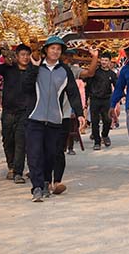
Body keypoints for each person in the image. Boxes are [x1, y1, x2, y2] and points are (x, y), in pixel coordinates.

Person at [23, 36, 86, 202]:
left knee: (50, 154)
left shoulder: (64, 71)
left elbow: (73, 93)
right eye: (52, 48)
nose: (55, 51)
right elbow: (26, 87)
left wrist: (79, 113)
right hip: (34, 118)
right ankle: (36, 187)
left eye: (58, 49)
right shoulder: (36, 66)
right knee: (34, 154)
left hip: (55, 120)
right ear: (46, 50)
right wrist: (34, 68)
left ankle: (45, 182)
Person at [54, 48, 96, 193]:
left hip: (64, 114)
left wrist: (79, 113)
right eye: (66, 55)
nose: (68, 57)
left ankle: (56, 181)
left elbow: (74, 93)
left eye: (70, 55)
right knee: (45, 149)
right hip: (45, 115)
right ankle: (44, 180)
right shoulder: (44, 69)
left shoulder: (70, 70)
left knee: (59, 150)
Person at [0, 43, 33, 183]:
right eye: (22, 55)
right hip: (9, 111)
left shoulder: (33, 71)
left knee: (21, 141)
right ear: (17, 56)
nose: (25, 57)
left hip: (25, 112)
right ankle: (11, 165)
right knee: (8, 140)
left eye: (28, 55)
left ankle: (18, 172)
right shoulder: (8, 69)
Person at [86, 53, 117, 150]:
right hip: (95, 99)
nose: (104, 62)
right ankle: (97, 141)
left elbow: (117, 87)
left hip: (106, 99)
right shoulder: (95, 72)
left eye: (106, 60)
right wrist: (86, 98)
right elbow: (88, 85)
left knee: (107, 120)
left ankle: (105, 135)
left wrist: (117, 99)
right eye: (102, 60)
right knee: (94, 122)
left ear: (109, 62)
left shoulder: (112, 74)